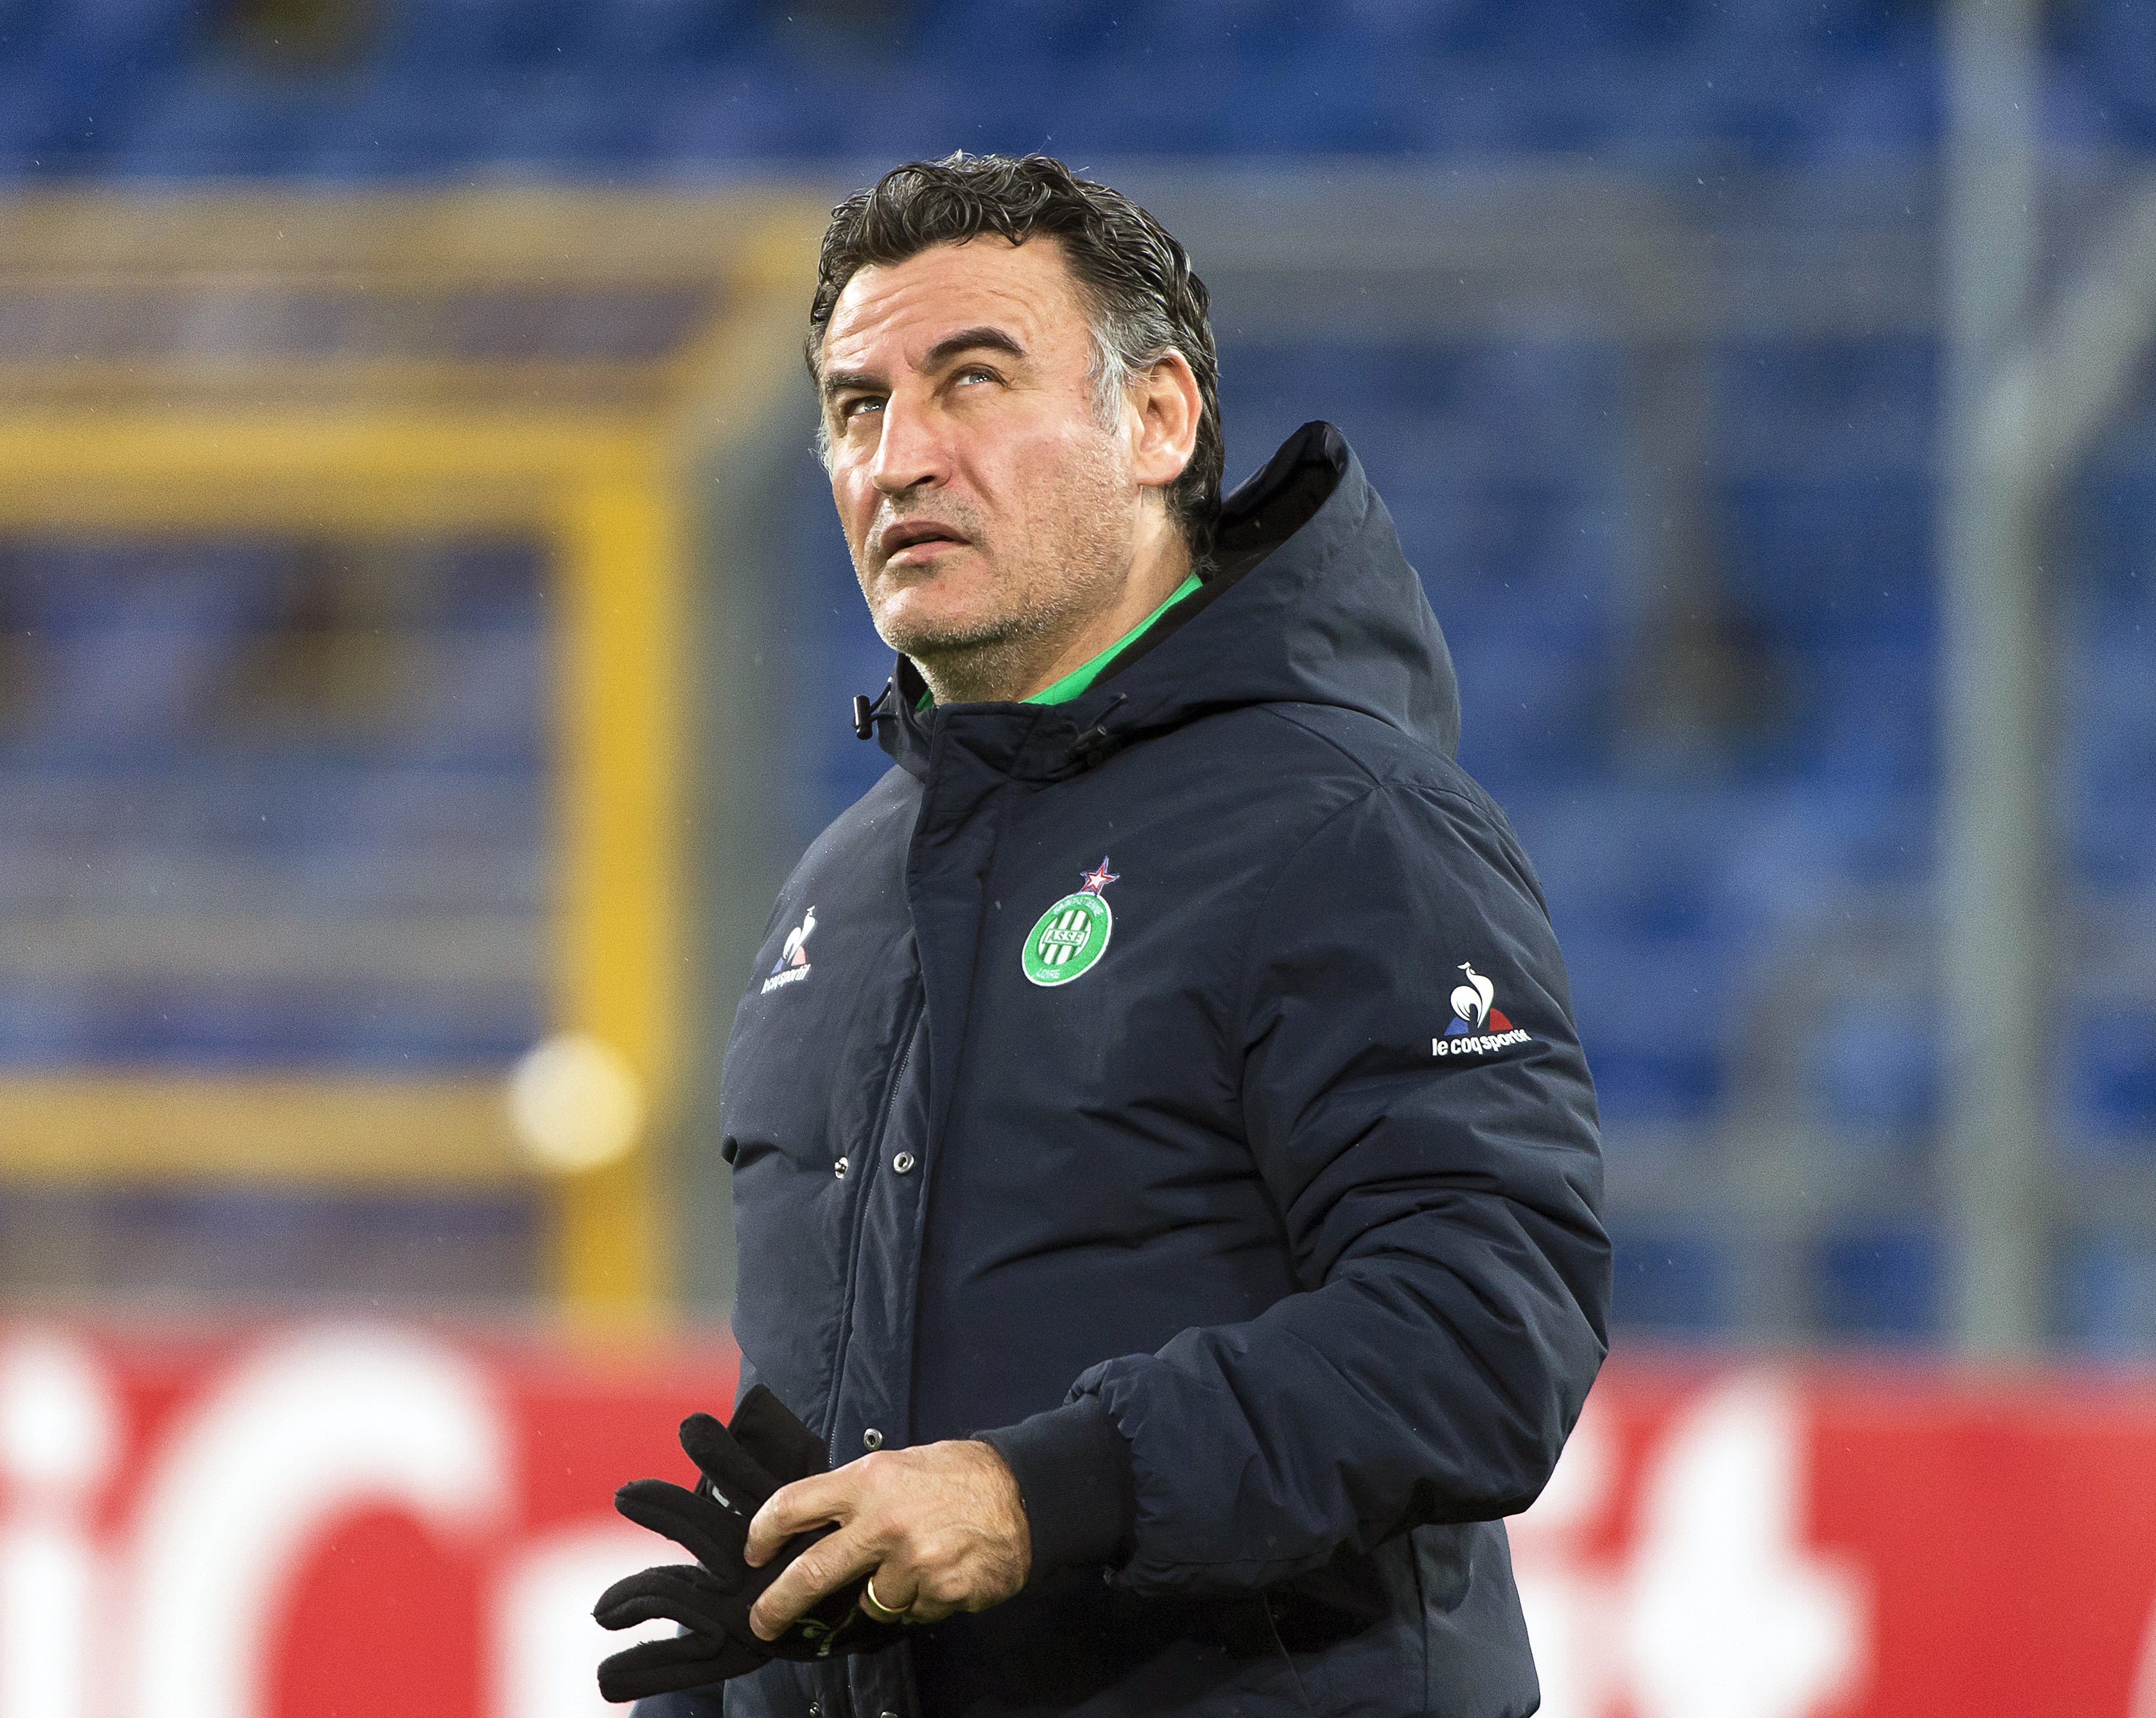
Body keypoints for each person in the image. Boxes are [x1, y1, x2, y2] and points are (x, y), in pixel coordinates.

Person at [602, 152, 1610, 1718]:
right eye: (858, 406)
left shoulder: (1351, 822)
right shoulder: (838, 891)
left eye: (973, 380)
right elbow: (845, 1430)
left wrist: (1039, 1497)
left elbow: (1485, 1329)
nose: (900, 457)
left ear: (1158, 420)